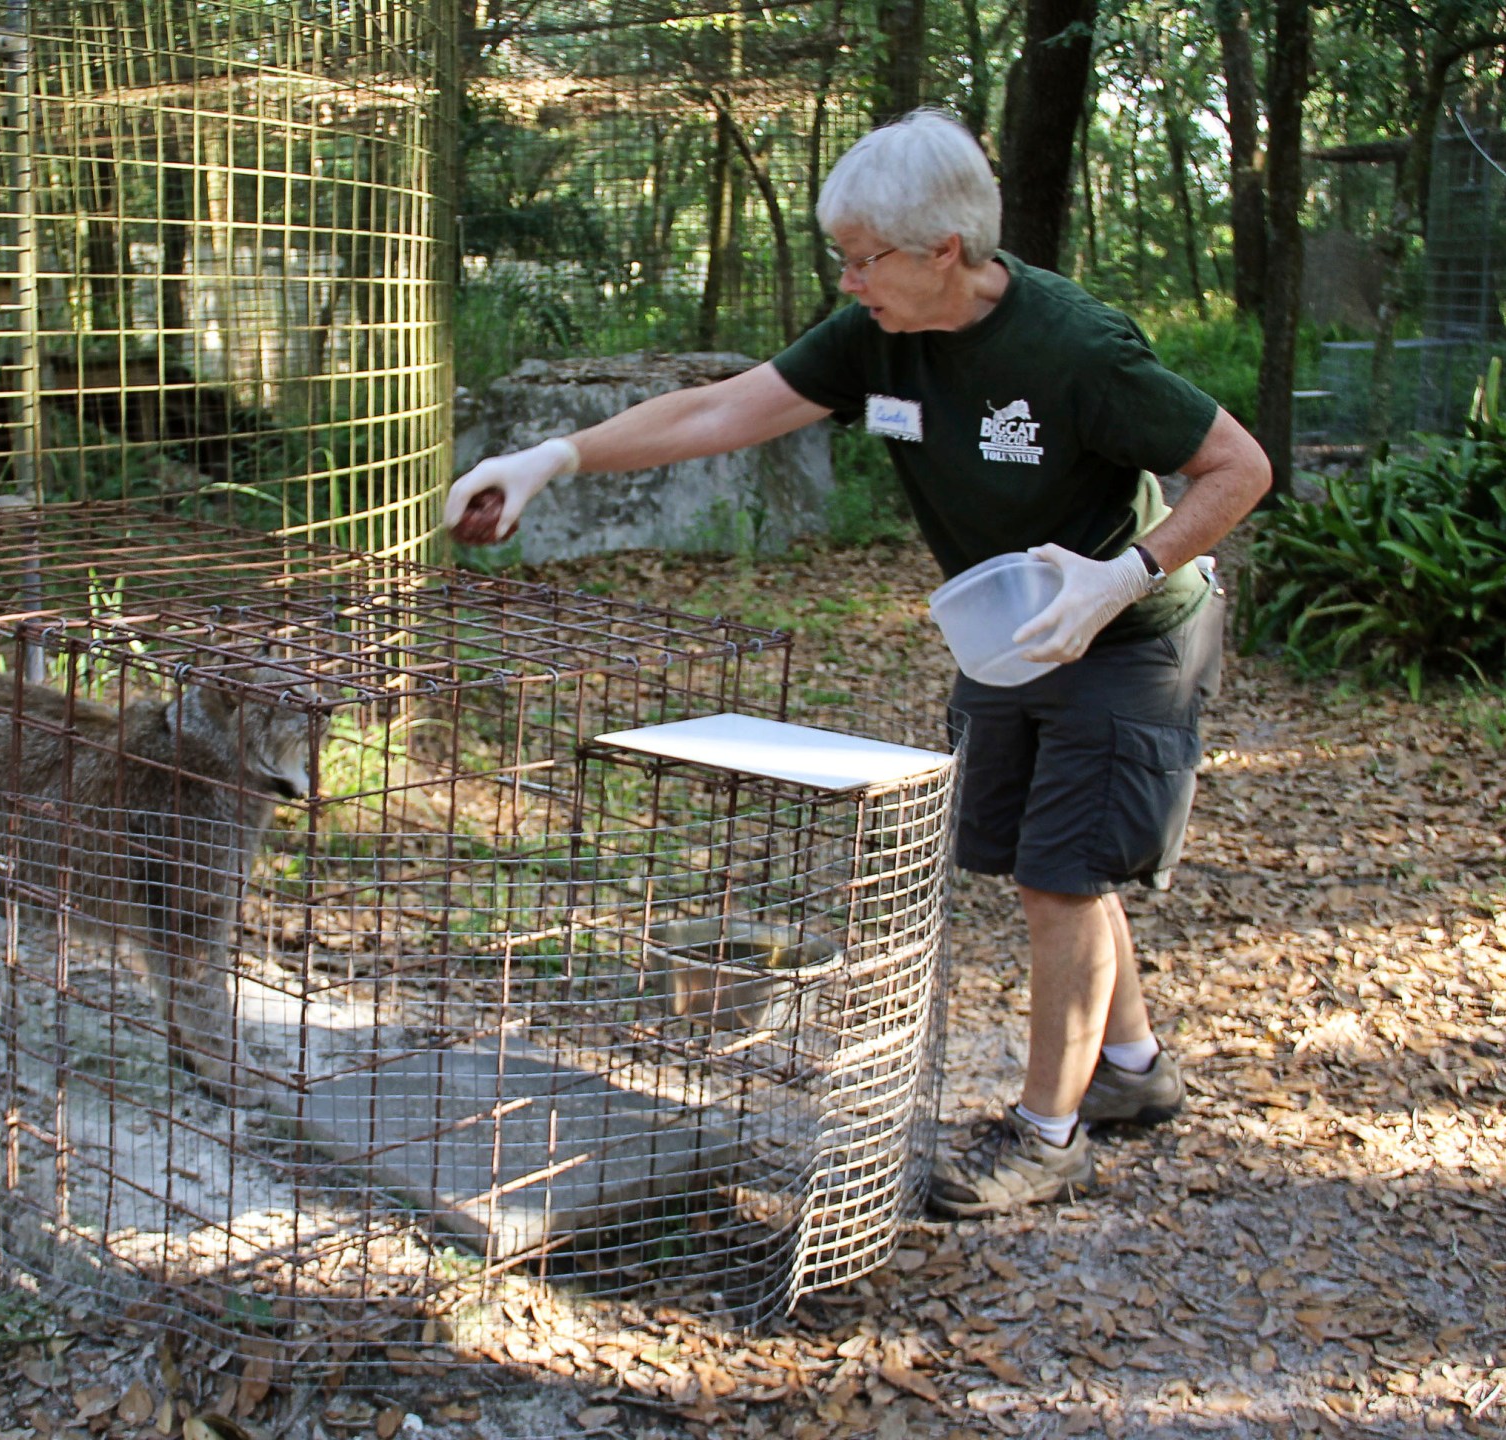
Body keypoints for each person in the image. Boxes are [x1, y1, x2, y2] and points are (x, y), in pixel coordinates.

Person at [443, 109, 1271, 1218]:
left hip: (1131, 629)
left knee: (1059, 877)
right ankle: (1128, 1071)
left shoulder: (1075, 347)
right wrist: (553, 458)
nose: (845, 279)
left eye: (861, 257)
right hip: (1012, 624)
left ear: (944, 252)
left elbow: (1239, 465)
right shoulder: (875, 334)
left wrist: (1124, 572)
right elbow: (727, 407)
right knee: (1046, 857)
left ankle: (1046, 1134)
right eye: (840, 254)